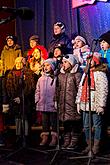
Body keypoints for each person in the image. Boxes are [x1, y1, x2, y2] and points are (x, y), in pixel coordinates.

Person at [76, 53, 108, 155]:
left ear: (96, 61)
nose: (89, 61)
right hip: (85, 103)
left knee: (97, 125)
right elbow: (81, 88)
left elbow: (103, 90)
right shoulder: (85, 73)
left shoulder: (100, 74)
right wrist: (78, 102)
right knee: (86, 126)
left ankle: (96, 146)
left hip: (95, 103)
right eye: (88, 59)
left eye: (91, 59)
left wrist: (101, 105)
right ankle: (89, 145)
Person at [4, 57, 35, 145]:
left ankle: (26, 136)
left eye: (20, 62)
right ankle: (18, 136)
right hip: (14, 100)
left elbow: (29, 88)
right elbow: (9, 88)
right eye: (16, 62)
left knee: (24, 117)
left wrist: (21, 98)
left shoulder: (28, 73)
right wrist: (14, 98)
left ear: (24, 63)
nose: (18, 64)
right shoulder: (10, 74)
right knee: (17, 118)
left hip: (25, 100)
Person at [57, 54, 82, 149]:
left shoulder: (77, 75)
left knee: (74, 122)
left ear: (71, 63)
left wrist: (79, 102)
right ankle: (67, 140)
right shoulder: (60, 75)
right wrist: (56, 100)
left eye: (66, 62)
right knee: (66, 123)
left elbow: (79, 89)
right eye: (63, 62)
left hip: (73, 103)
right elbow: (57, 90)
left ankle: (74, 141)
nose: (63, 64)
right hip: (63, 104)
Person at [35, 58, 57, 146]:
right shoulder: (41, 79)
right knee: (45, 121)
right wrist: (37, 100)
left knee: (53, 121)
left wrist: (56, 100)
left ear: (52, 66)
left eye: (48, 65)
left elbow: (58, 91)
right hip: (43, 103)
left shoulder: (55, 78)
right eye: (44, 65)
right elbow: (38, 90)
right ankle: (45, 136)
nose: (45, 67)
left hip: (52, 104)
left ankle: (54, 137)